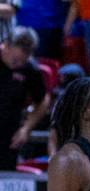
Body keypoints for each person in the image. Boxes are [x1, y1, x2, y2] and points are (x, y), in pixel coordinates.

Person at [0, 27, 49, 171]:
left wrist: (26, 128)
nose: (19, 64)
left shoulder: (30, 69)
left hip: (7, 138)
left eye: (23, 61)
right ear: (6, 46)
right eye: (15, 60)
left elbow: (43, 100)